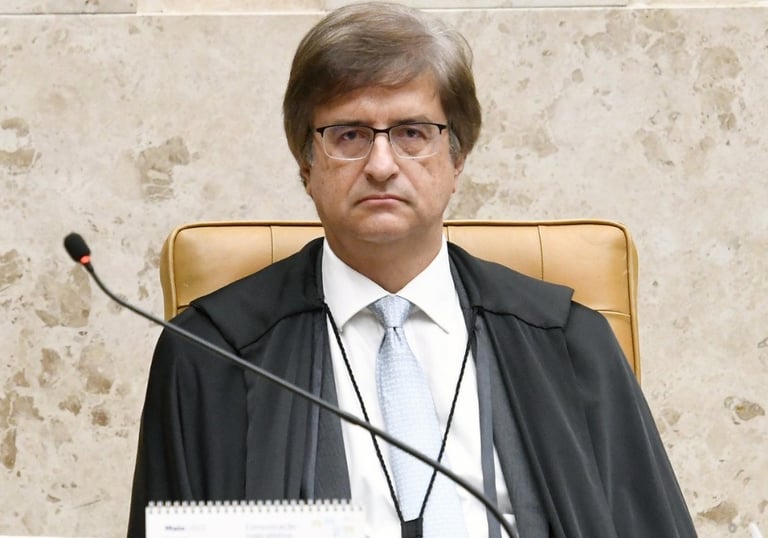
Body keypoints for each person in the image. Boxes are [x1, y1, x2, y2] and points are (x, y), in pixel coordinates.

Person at [127, 2, 697, 537]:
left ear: (457, 159)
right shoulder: (211, 357)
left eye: (412, 134)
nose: (380, 165)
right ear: (306, 165)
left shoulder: (567, 344)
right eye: (348, 135)